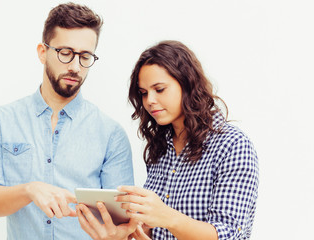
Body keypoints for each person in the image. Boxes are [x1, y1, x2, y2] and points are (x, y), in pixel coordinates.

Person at [0, 3, 134, 240]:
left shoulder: (111, 134)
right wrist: (29, 190)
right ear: (42, 52)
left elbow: (121, 221)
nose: (75, 67)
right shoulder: (1, 120)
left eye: (85, 56)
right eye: (65, 53)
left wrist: (118, 233)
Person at [76, 40, 259, 240]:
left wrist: (167, 217)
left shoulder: (233, 145)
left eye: (159, 89)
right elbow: (157, 232)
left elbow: (230, 235)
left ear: (188, 84)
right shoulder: (161, 147)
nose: (149, 101)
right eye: (144, 93)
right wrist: (129, 232)